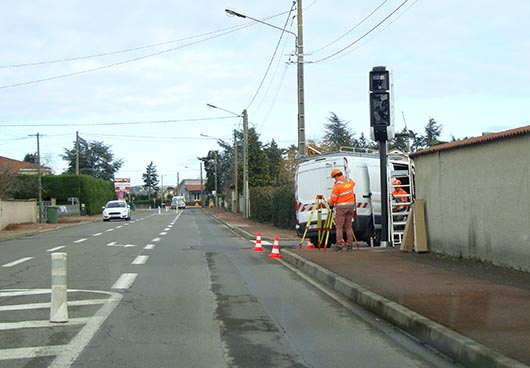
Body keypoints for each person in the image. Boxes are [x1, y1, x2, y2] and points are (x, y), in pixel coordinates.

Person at [328, 168, 356, 251]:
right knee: (349, 227)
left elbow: (333, 198)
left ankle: (339, 245)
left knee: (339, 227)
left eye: (334, 177)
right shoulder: (349, 181)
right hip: (350, 206)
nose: (334, 179)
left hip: (341, 207)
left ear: (336, 176)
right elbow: (353, 184)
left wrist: (331, 205)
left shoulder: (337, 185)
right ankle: (350, 245)